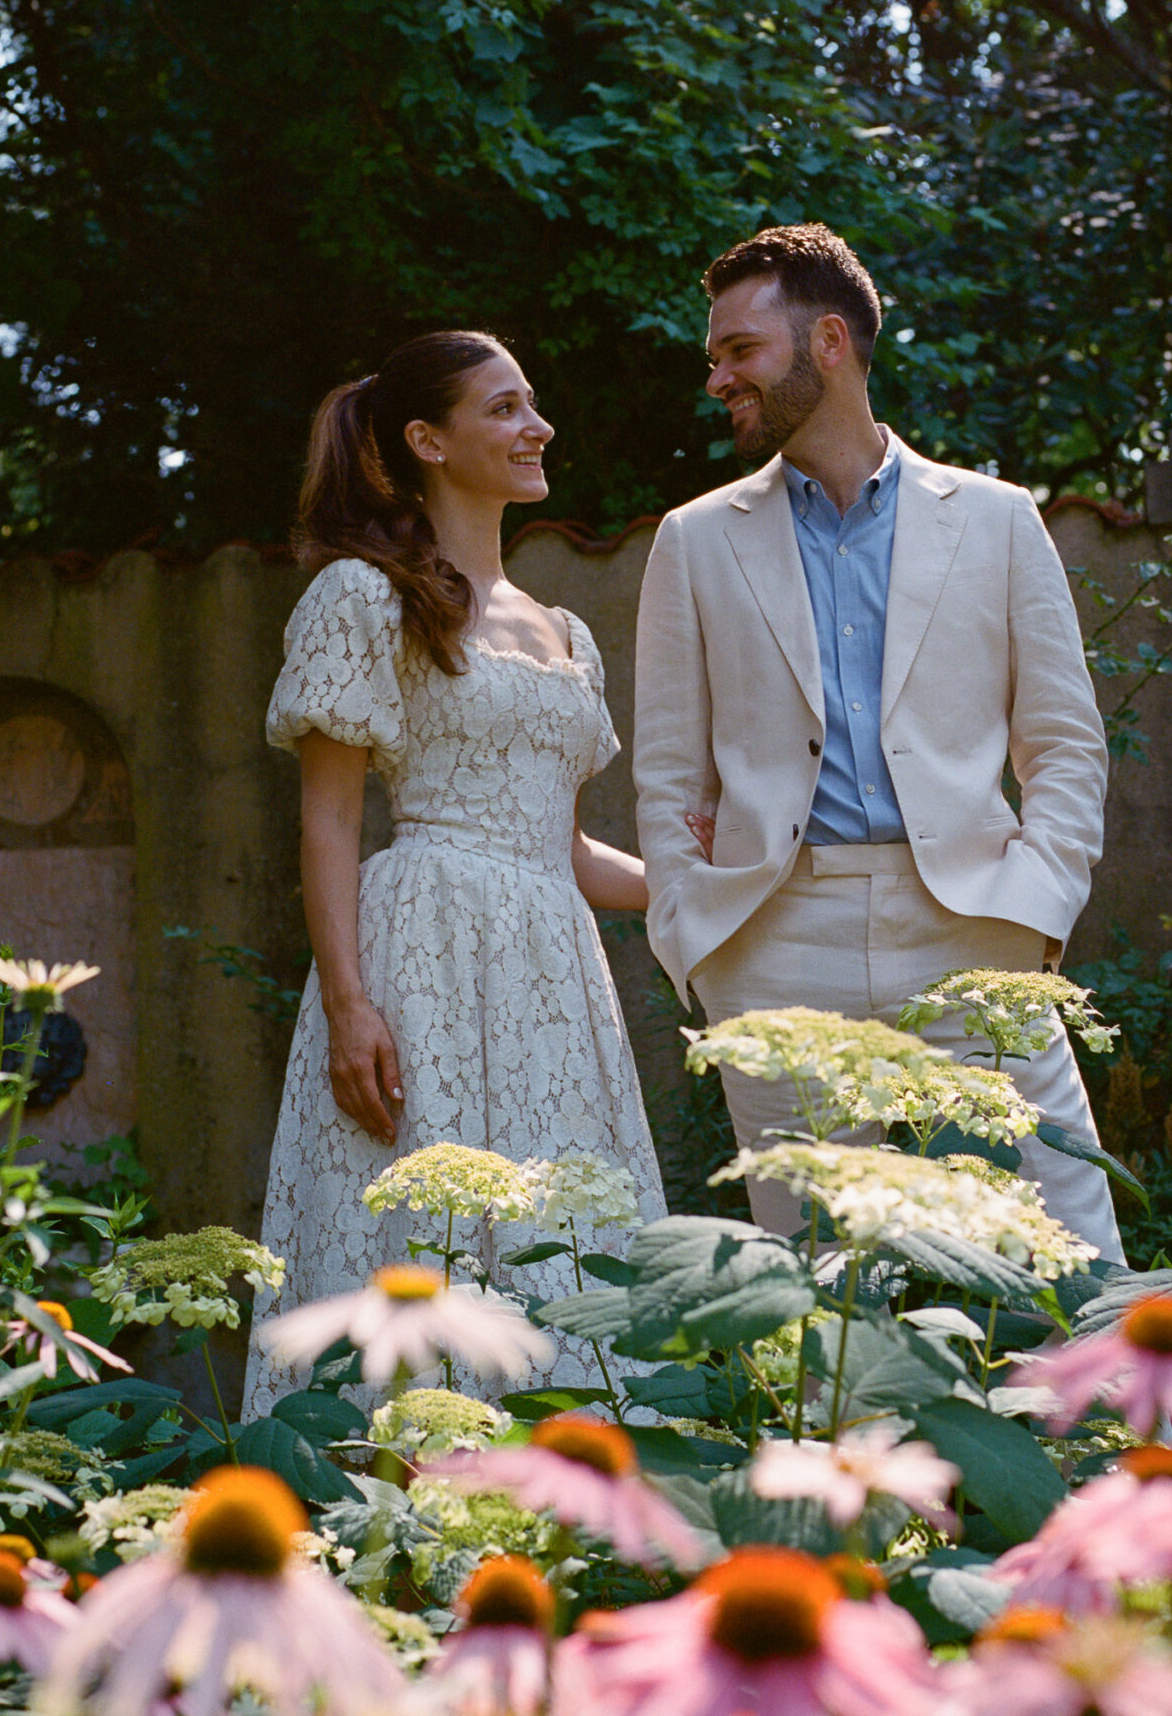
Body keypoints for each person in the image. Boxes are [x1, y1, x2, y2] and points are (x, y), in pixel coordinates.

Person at [632, 222, 1125, 1261]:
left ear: (827, 344)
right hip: (775, 939)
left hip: (972, 932)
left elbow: (1065, 743)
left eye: (738, 351)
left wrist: (1037, 906)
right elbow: (668, 767)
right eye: (715, 354)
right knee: (819, 1290)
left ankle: (1100, 1434)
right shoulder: (695, 539)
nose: (717, 374)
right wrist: (700, 939)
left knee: (1062, 1249)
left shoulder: (995, 521)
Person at [241, 332, 690, 1413]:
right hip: (422, 955)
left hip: (553, 977)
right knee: (417, 1237)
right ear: (427, 441)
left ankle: (560, 1534)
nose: (537, 427)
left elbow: (569, 853)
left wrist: (707, 889)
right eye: (505, 408)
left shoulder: (565, 633)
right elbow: (331, 824)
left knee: (557, 1237)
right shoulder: (364, 596)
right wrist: (351, 1005)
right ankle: (389, 1523)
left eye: (533, 406)